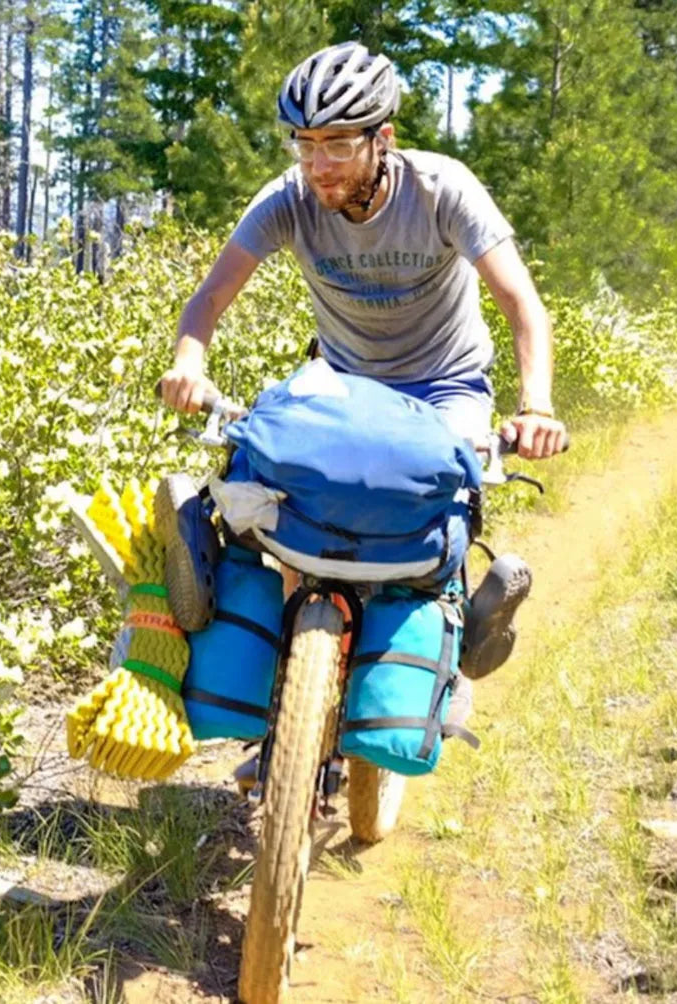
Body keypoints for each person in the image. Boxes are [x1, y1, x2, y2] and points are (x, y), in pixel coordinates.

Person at [156, 40, 567, 682]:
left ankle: (462, 626)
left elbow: (521, 304)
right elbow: (210, 295)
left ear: (384, 139)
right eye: (306, 143)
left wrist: (535, 405)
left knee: (443, 495)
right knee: (277, 480)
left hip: (443, 384)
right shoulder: (287, 199)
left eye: (339, 144)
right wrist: (189, 363)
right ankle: (281, 694)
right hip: (343, 380)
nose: (319, 165)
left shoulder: (441, 189)